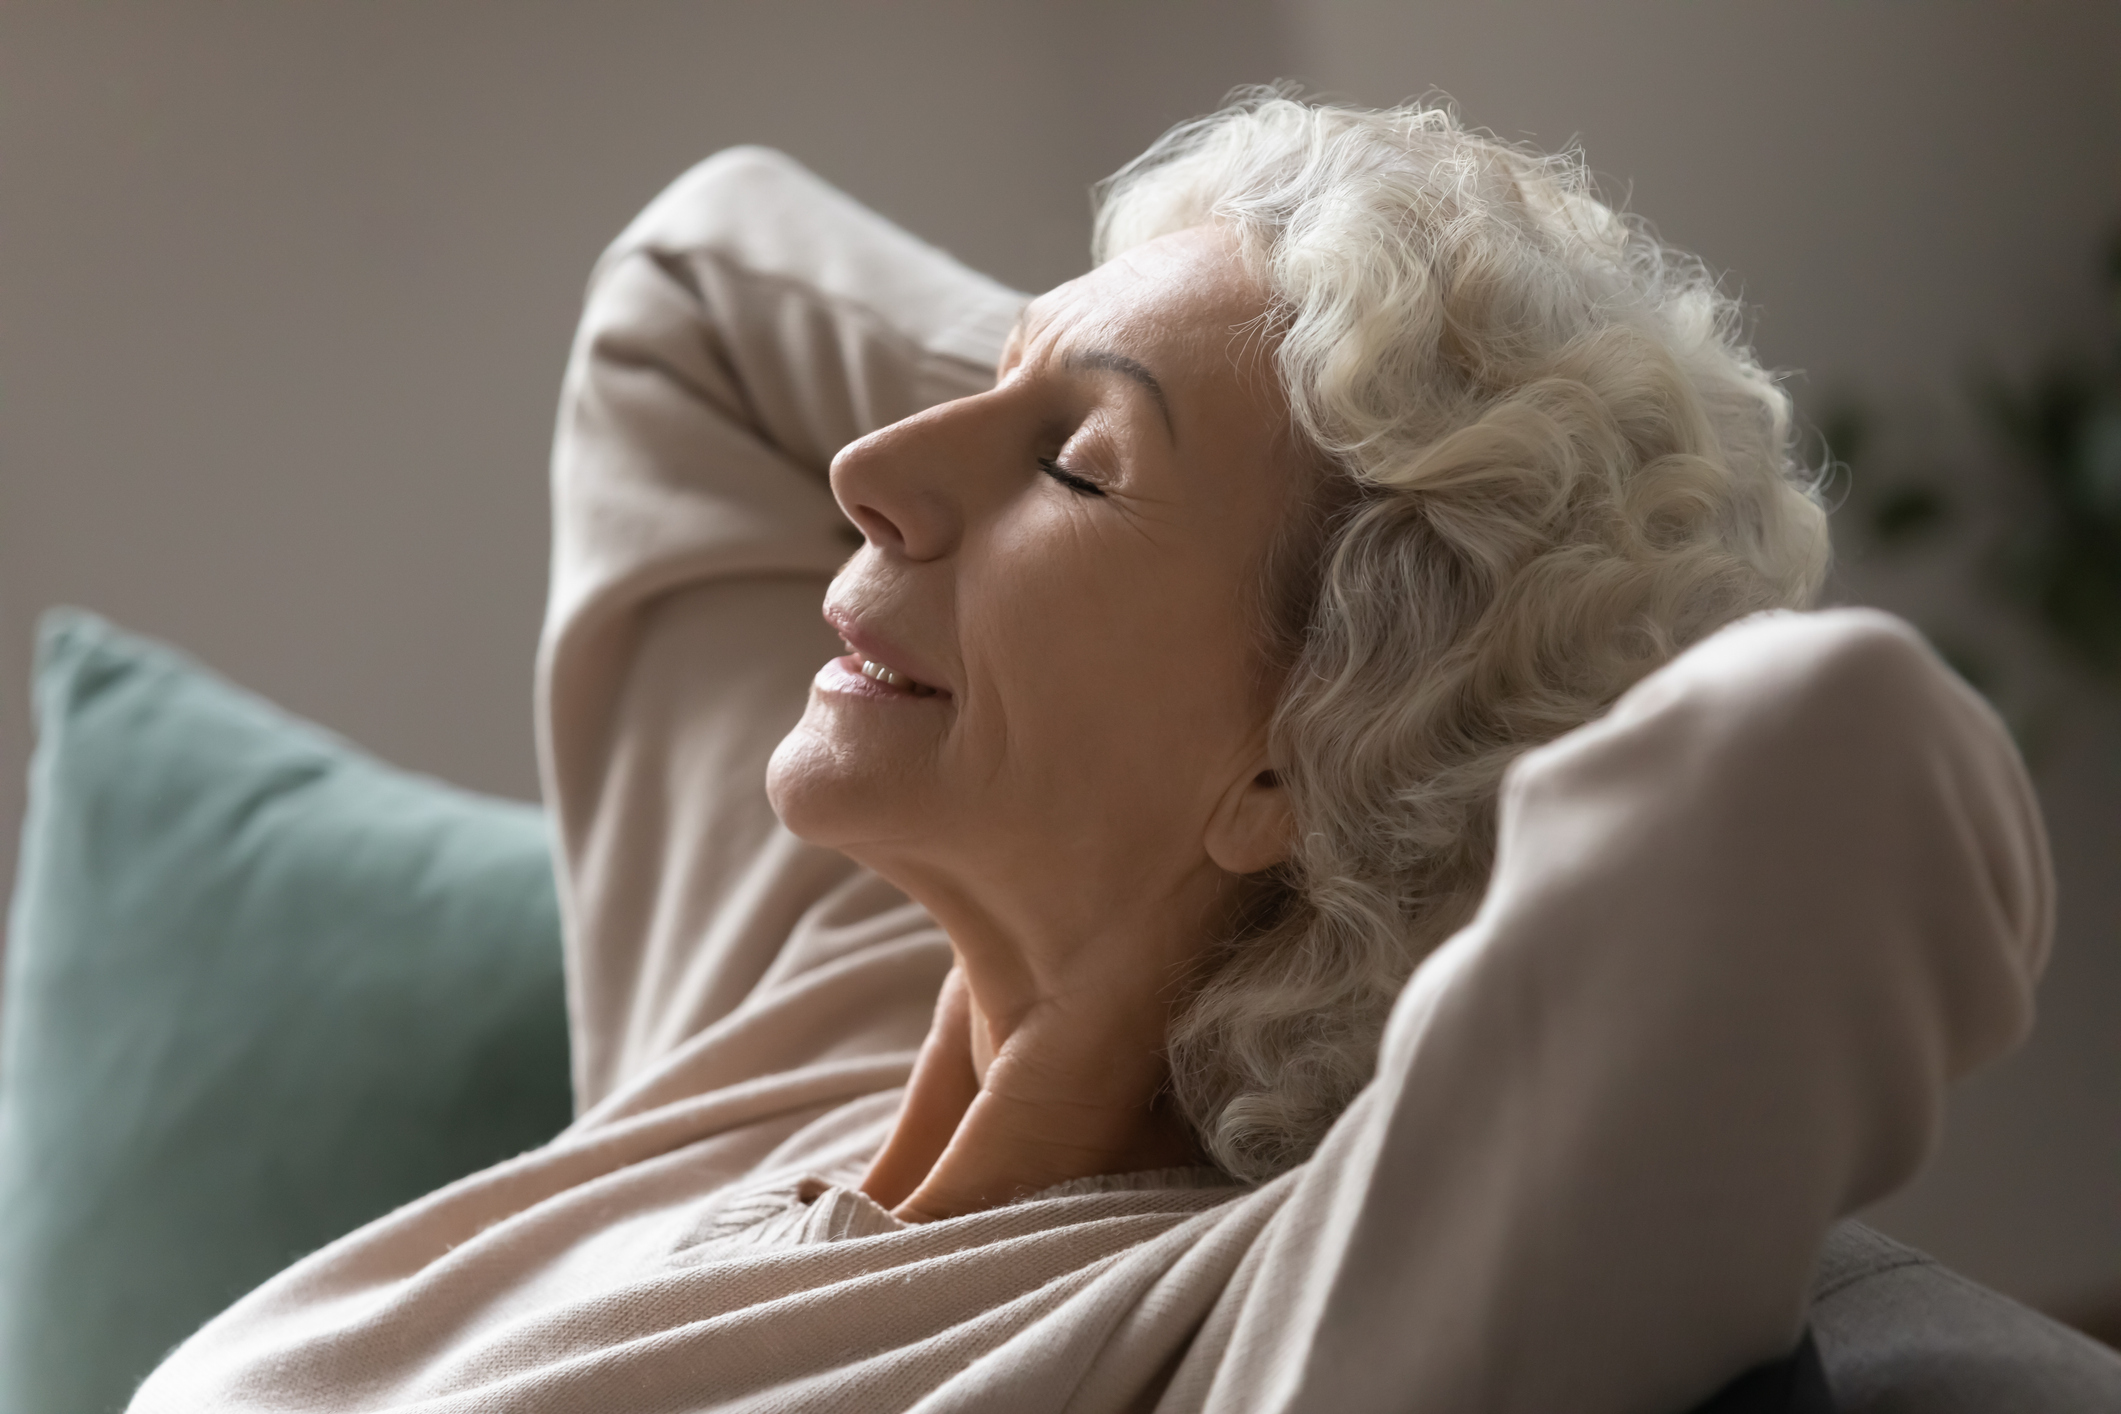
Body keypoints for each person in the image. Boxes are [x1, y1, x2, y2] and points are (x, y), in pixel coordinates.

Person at [129, 93, 2051, 1414]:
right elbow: (693, 294)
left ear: (1289, 759)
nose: (869, 478)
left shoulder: (1260, 1316)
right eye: (977, 391)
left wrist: (1464, 626)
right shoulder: (798, 1010)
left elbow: (1812, 776)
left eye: (1073, 468)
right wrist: (1241, 336)